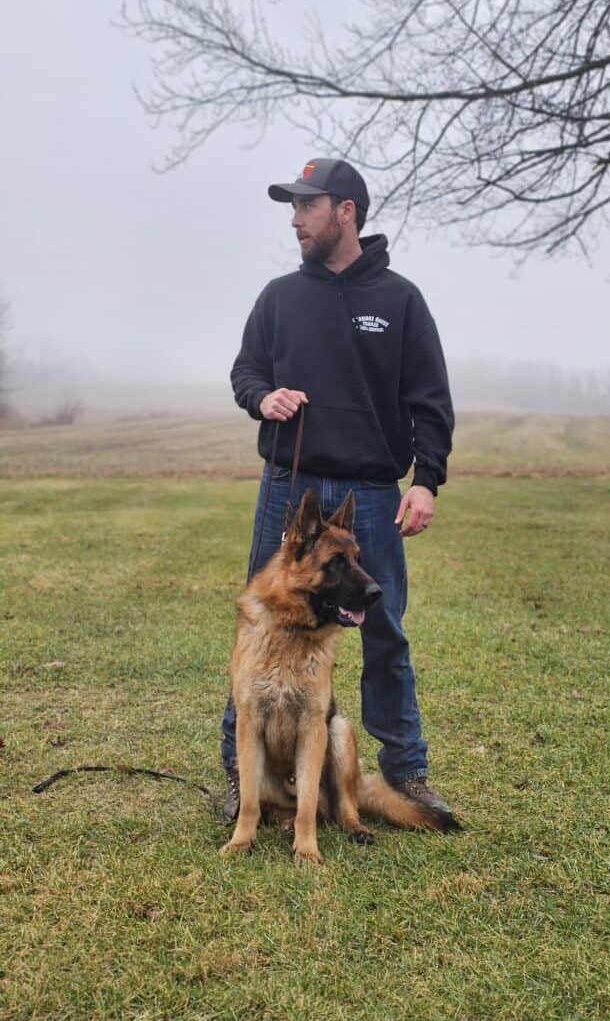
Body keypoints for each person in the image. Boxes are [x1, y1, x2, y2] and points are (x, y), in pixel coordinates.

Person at [221, 157, 456, 824]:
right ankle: (240, 774)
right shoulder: (279, 297)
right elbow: (245, 371)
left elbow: (430, 400)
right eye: (293, 208)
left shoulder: (400, 300)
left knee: (383, 629)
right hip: (289, 485)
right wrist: (263, 398)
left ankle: (406, 771)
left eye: (307, 206)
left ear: (345, 212)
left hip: (371, 493)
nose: (295, 220)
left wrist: (426, 481)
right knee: (261, 622)